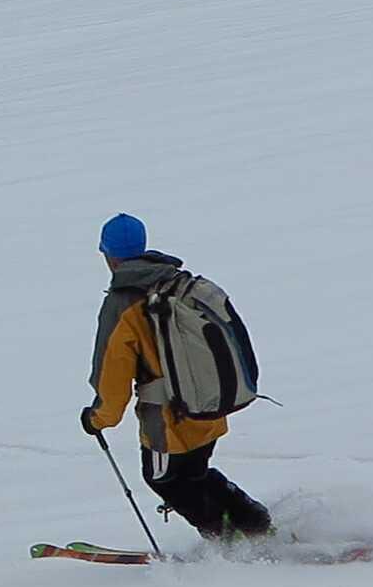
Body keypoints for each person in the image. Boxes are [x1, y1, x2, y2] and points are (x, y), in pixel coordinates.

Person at [80, 212, 272, 540]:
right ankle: (255, 522)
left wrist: (98, 419)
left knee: (164, 479)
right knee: (194, 474)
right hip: (209, 404)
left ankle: (227, 541)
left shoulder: (122, 304)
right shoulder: (178, 283)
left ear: (108, 255)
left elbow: (112, 376)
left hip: (168, 421)